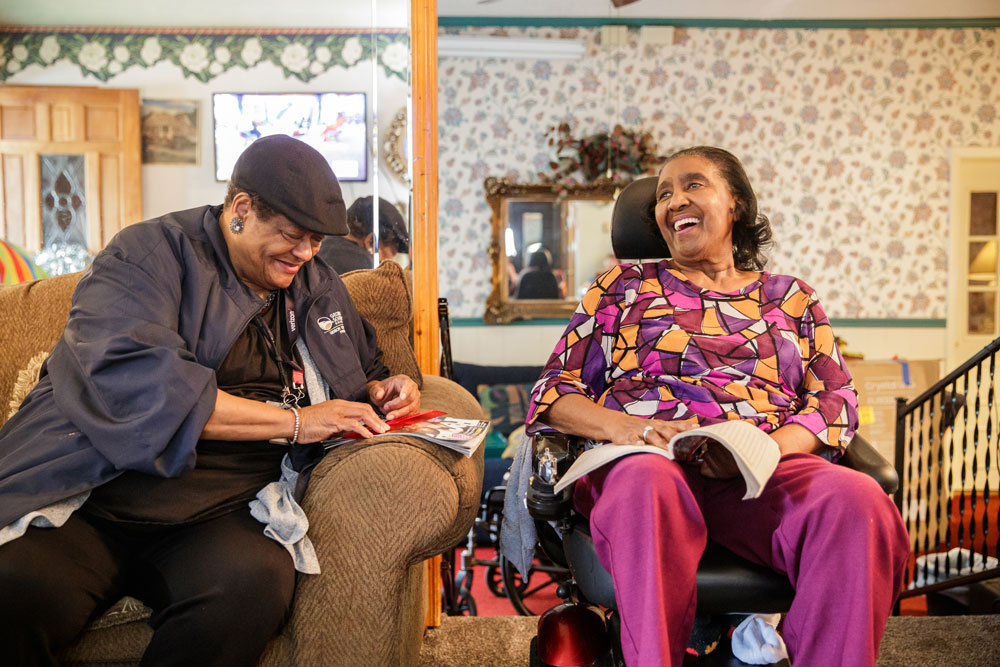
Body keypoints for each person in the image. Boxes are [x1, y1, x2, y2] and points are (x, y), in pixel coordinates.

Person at [0, 134, 420, 666]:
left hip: (223, 509)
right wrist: (298, 422)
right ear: (241, 209)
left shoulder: (317, 283)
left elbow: (366, 369)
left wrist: (388, 387)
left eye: (316, 240)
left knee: (252, 586)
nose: (307, 253)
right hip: (97, 489)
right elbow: (147, 388)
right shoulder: (145, 255)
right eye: (293, 235)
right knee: (13, 587)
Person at [517, 147, 909, 667]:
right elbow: (552, 391)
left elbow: (834, 403)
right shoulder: (621, 289)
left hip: (761, 472)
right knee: (647, 487)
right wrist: (631, 429)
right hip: (650, 465)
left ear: (737, 204)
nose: (674, 200)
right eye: (663, 194)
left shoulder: (793, 299)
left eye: (693, 185)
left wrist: (762, 451)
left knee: (861, 505)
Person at [316, 195, 410, 273]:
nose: (392, 260)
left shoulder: (322, 247)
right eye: (393, 253)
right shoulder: (364, 267)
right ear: (371, 241)